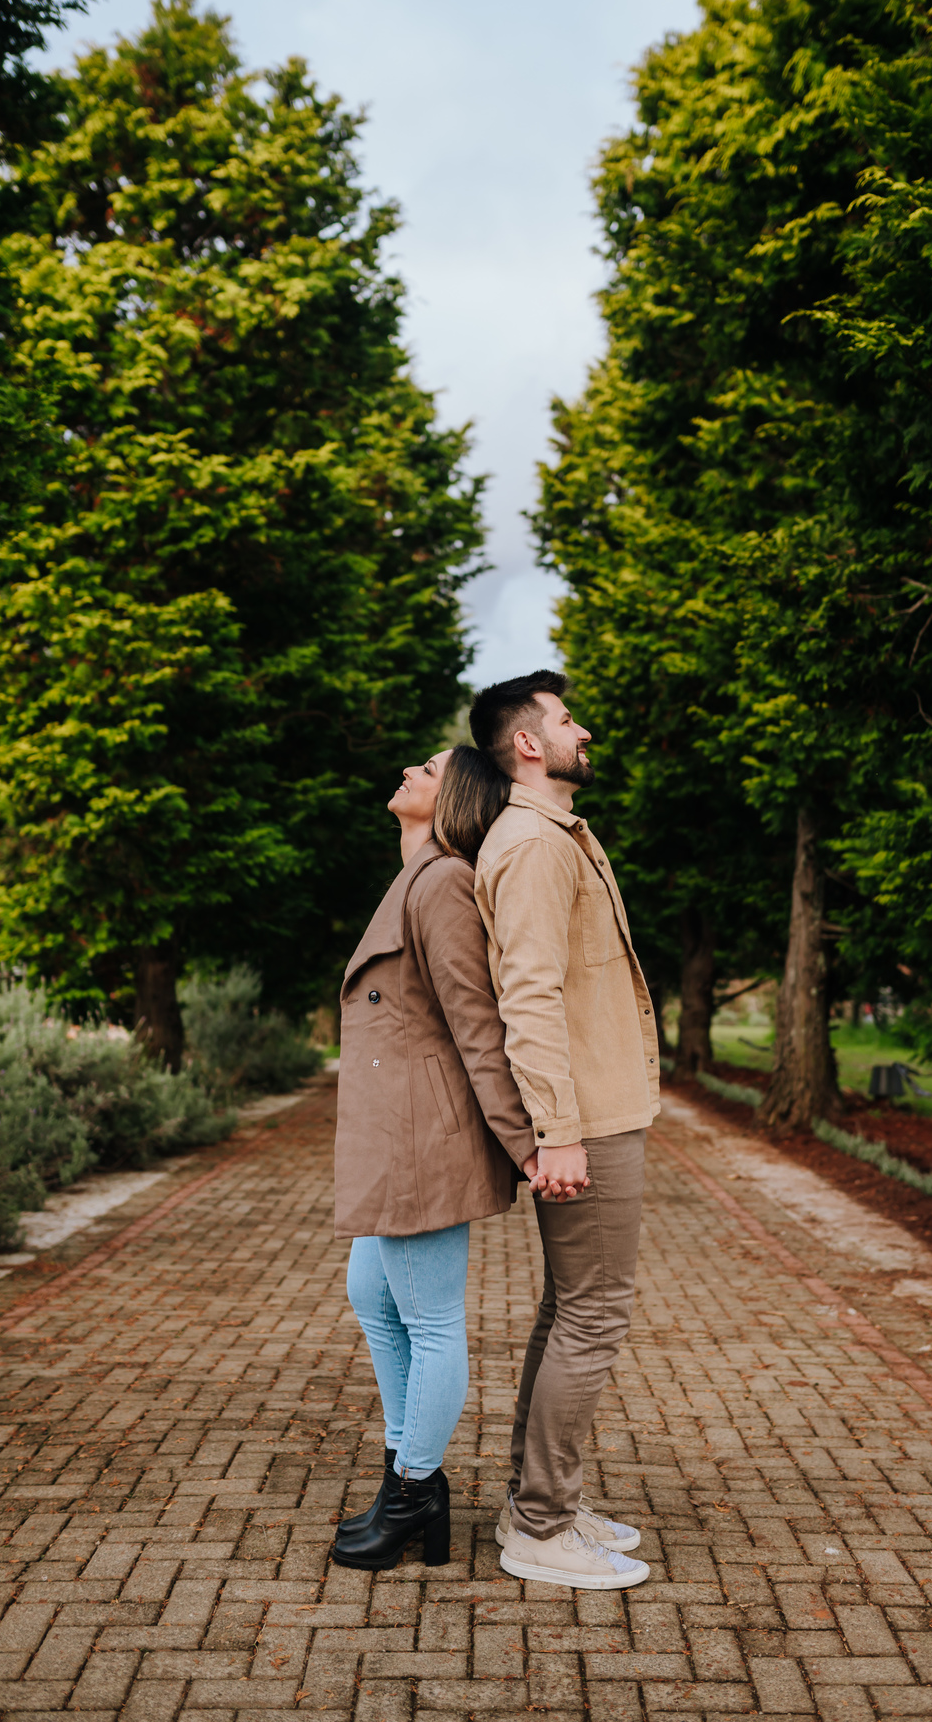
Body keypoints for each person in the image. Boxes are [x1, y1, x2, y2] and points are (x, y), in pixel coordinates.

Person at [470, 671, 660, 1591]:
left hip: (596, 1108)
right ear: (529, 744)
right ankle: (542, 1528)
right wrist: (559, 1130)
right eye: (568, 719)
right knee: (593, 1315)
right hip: (587, 1116)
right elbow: (530, 997)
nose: (585, 731)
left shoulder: (556, 836)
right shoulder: (534, 846)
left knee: (570, 1309)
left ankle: (535, 1504)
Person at [331, 744, 539, 1571]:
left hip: (422, 1135)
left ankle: (414, 1489)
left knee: (429, 1317)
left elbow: (477, 1025)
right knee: (370, 1294)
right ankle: (407, 1467)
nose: (411, 770)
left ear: (454, 798)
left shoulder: (445, 880)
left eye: (429, 767)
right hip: (393, 1131)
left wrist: (526, 1146)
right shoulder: (415, 876)